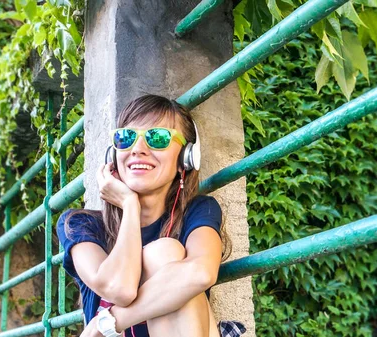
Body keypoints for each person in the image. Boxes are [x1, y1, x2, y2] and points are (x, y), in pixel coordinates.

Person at [56, 94, 246, 337]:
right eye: (126, 138)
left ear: (185, 158)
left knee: (163, 252)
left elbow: (201, 272)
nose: (138, 149)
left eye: (158, 138)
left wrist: (108, 322)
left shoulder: (199, 211)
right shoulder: (80, 225)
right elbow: (119, 289)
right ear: (112, 155)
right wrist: (129, 205)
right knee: (163, 253)